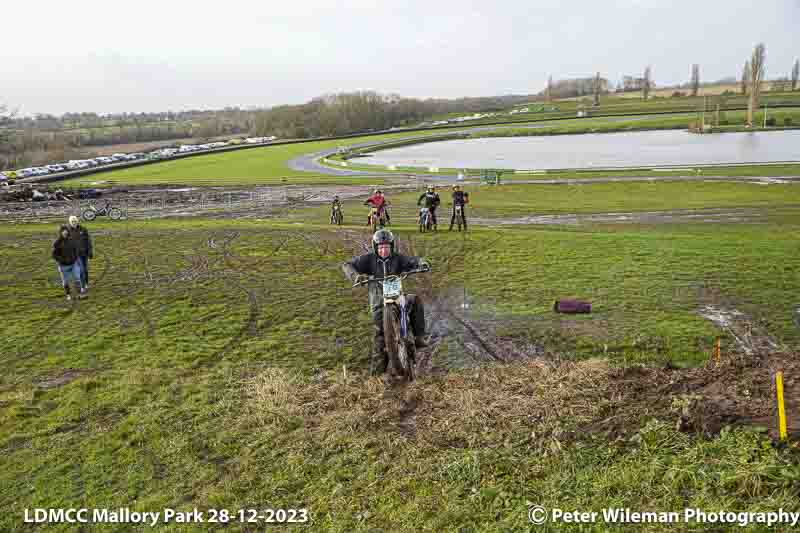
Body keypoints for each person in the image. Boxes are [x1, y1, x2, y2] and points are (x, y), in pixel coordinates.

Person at [342, 229, 429, 375]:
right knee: (380, 338)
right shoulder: (368, 259)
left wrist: (421, 263)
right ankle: (377, 376)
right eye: (381, 247)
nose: (384, 250)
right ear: (375, 247)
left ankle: (419, 336)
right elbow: (347, 264)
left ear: (392, 246)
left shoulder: (397, 258)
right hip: (378, 302)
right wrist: (356, 276)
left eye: (387, 247)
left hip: (398, 297)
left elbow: (412, 261)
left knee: (414, 300)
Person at [52, 224, 86, 300]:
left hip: (73, 263)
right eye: (63, 231)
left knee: (77, 278)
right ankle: (68, 294)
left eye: (66, 231)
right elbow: (54, 255)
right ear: (60, 232)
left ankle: (80, 294)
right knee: (65, 281)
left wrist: (75, 258)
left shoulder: (71, 240)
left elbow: (76, 250)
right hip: (63, 266)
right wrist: (62, 260)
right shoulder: (57, 243)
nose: (65, 232)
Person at [67, 215, 93, 289]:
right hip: (75, 255)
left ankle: (86, 283)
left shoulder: (83, 229)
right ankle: (83, 286)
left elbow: (88, 241)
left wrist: (90, 252)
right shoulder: (68, 231)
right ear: (70, 222)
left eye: (75, 221)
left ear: (77, 221)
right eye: (72, 221)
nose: (74, 223)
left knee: (85, 270)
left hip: (84, 253)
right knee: (81, 270)